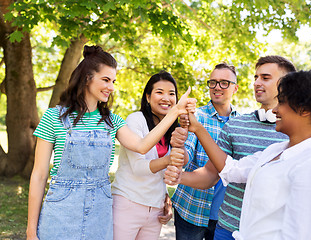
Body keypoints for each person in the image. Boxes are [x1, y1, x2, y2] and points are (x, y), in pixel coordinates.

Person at [26, 45, 196, 240]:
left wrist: (175, 112)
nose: (111, 87)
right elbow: (39, 176)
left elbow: (142, 145)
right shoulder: (53, 118)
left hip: (100, 214)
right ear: (87, 78)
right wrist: (31, 231)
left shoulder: (112, 121)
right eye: (106, 80)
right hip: (60, 212)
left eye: (113, 81)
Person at [167, 70, 311, 240]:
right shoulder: (276, 150)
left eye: (282, 102)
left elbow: (297, 235)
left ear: (305, 110)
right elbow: (232, 170)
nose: (275, 110)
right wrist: (198, 129)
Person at [167, 56, 296, 239]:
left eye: (265, 78)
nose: (257, 83)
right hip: (218, 223)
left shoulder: (296, 132)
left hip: (267, 232)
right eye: (256, 77)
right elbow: (210, 172)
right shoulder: (233, 125)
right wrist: (178, 166)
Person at [111, 71, 185, 239]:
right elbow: (138, 167)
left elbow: (174, 166)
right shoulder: (135, 120)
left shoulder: (172, 128)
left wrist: (164, 198)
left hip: (156, 211)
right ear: (148, 97)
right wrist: (168, 160)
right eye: (160, 92)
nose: (166, 98)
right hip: (127, 204)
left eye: (171, 94)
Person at [171, 63, 240, 240]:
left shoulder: (240, 123)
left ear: (235, 88)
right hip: (191, 208)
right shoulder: (196, 117)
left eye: (224, 82)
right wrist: (179, 150)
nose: (217, 87)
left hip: (225, 216)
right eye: (213, 82)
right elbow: (186, 152)